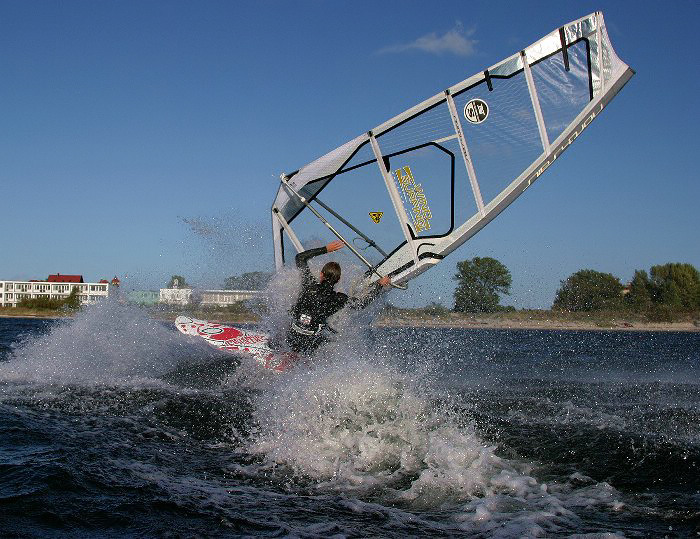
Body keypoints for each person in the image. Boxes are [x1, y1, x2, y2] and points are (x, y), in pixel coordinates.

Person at [286, 239, 391, 356]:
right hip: (310, 344)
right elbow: (361, 304)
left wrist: (326, 249)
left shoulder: (308, 285)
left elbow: (300, 258)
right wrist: (379, 286)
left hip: (292, 338)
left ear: (321, 274)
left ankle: (289, 353)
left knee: (292, 317)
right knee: (329, 337)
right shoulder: (339, 299)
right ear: (338, 280)